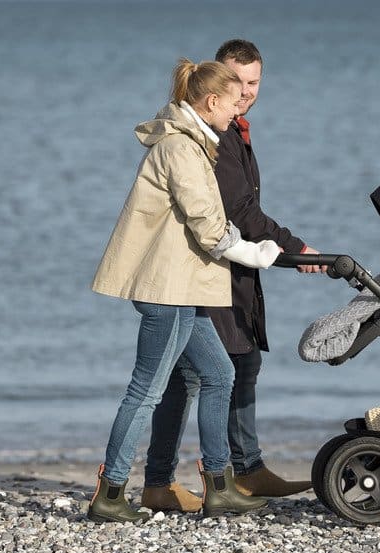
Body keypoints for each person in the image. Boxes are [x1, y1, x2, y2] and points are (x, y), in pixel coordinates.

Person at [86, 58, 277, 522]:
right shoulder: (180, 149)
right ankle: (110, 493)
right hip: (166, 289)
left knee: (219, 376)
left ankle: (219, 486)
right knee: (146, 390)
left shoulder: (194, 144)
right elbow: (209, 226)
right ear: (211, 101)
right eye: (233, 102)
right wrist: (256, 253)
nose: (237, 112)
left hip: (183, 287)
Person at [141, 39, 319, 512]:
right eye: (237, 82)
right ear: (215, 84)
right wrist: (295, 249)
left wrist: (275, 249)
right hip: (207, 267)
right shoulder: (209, 135)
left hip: (231, 263)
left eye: (254, 82)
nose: (245, 92)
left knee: (224, 367)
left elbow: (244, 210)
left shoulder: (233, 129)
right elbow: (238, 211)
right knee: (205, 372)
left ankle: (239, 470)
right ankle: (218, 476)